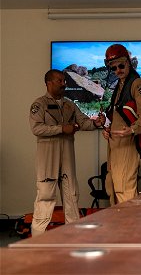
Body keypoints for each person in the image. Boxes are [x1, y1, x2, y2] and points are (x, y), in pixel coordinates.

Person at [29, 69, 106, 236]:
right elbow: (36, 128)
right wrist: (62, 128)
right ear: (49, 83)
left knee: (71, 196)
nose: (64, 84)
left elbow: (84, 123)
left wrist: (97, 123)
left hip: (67, 157)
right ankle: (37, 243)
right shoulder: (39, 104)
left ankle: (74, 241)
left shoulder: (70, 105)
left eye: (64, 80)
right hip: (47, 157)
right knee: (45, 196)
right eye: (59, 81)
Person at [102, 44, 141, 205]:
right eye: (114, 68)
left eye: (121, 65)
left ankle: (129, 228)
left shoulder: (137, 84)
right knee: (112, 185)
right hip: (114, 144)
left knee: (124, 188)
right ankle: (118, 226)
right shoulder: (120, 85)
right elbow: (118, 113)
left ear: (129, 63)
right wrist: (108, 129)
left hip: (127, 143)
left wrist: (132, 129)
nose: (118, 70)